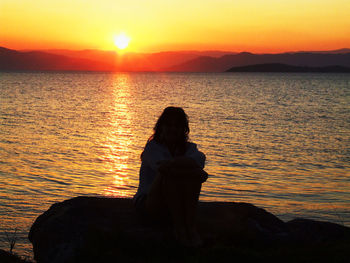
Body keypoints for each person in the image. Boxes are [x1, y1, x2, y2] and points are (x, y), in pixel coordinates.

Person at [133, 106, 208, 247]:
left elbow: (200, 159)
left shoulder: (189, 148)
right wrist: (193, 172)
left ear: (183, 130)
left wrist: (174, 162)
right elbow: (162, 168)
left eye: (177, 126)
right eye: (168, 125)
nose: (172, 129)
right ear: (161, 127)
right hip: (149, 202)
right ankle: (180, 229)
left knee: (184, 173)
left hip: (176, 203)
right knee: (168, 174)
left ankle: (190, 228)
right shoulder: (153, 147)